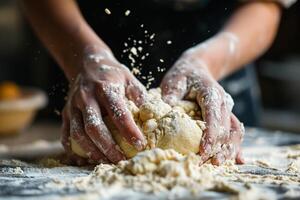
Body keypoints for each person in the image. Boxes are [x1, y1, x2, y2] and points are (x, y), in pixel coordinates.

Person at [21, 0, 295, 165]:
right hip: (87, 62)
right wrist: (83, 56)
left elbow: (265, 6)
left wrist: (207, 61)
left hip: (217, 67)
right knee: (90, 134)